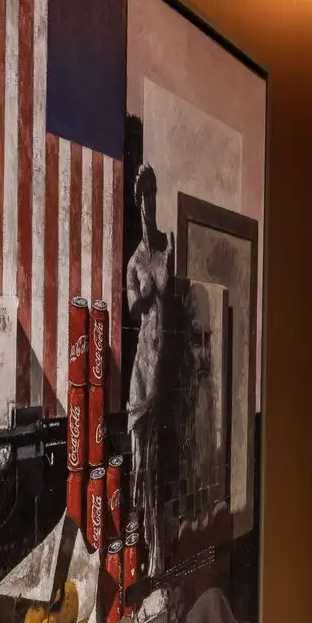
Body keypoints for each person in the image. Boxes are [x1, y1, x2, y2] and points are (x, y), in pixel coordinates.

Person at [126, 163, 173, 578]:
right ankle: (138, 557)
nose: (148, 202)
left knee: (157, 465)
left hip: (162, 361)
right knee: (140, 463)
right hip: (142, 363)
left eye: (152, 192)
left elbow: (169, 305)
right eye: (142, 195)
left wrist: (165, 271)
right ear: (135, 202)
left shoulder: (165, 249)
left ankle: (157, 558)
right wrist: (146, 286)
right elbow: (136, 307)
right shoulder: (136, 261)